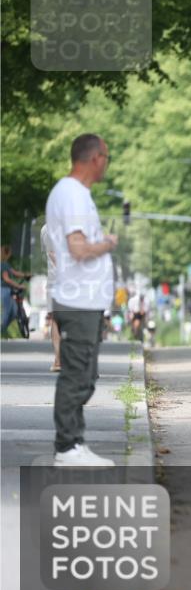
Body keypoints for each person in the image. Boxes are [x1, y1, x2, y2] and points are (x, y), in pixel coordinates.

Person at [44, 133, 118, 467]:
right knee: (76, 375)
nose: (106, 163)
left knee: (85, 375)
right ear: (95, 158)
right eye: (107, 157)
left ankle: (75, 442)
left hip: (85, 300)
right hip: (77, 300)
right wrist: (107, 243)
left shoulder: (76, 194)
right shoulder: (72, 194)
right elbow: (77, 247)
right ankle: (66, 447)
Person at [41, 225, 61, 369]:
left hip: (54, 280)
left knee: (56, 319)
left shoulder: (45, 229)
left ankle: (58, 360)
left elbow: (49, 253)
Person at [1, 245, 30, 336]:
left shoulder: (5, 264)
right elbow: (6, 279)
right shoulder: (2, 264)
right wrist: (19, 286)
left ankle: (2, 330)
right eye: (9, 253)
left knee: (14, 312)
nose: (10, 255)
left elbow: (14, 273)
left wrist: (26, 275)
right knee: (6, 313)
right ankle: (1, 330)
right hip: (4, 290)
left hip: (7, 290)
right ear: (6, 254)